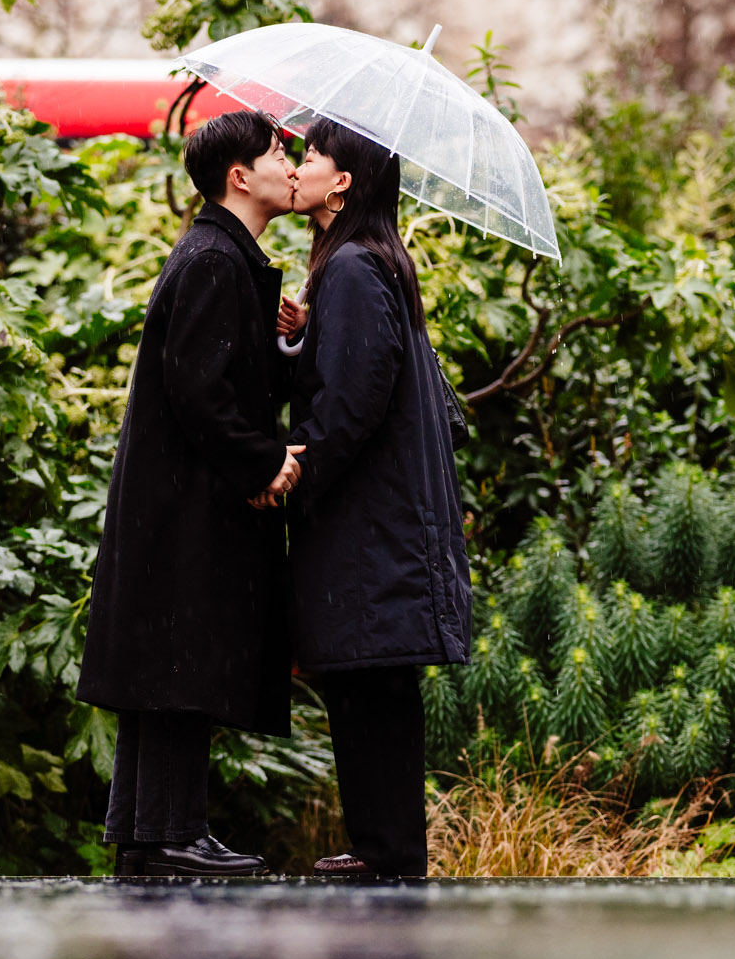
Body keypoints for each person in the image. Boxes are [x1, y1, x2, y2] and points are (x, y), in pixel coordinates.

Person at [75, 109, 307, 878]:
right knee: (180, 661)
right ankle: (172, 828)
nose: (289, 161)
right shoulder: (214, 259)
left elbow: (221, 376)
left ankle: (149, 829)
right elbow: (199, 391)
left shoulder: (218, 254)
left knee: (167, 663)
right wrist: (263, 463)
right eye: (278, 151)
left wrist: (282, 338)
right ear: (239, 176)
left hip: (175, 502)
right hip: (189, 506)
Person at [277, 117, 474, 879]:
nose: (300, 165)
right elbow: (348, 369)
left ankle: (384, 857)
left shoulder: (356, 266)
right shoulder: (363, 263)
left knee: (370, 685)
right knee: (370, 684)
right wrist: (301, 333)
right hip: (381, 522)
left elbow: (354, 399)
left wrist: (299, 468)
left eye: (314, 154)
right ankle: (383, 852)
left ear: (344, 183)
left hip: (368, 525)